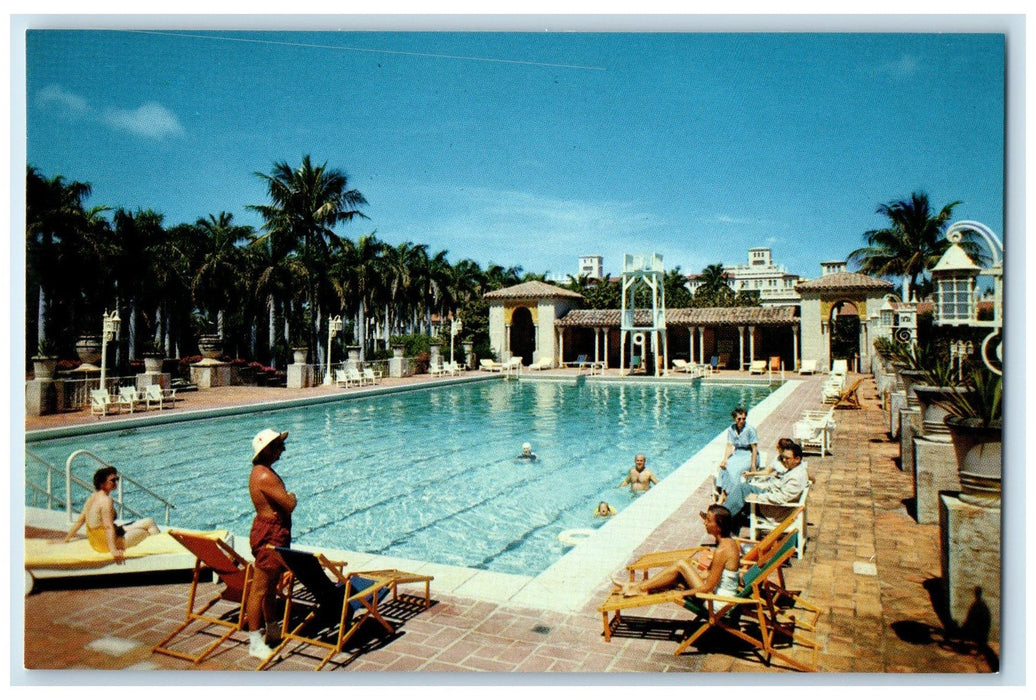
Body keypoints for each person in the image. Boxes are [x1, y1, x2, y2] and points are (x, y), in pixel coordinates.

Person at [245, 428, 296, 659]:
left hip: (273, 531)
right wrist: (292, 497)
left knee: (271, 584)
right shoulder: (264, 476)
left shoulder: (262, 472)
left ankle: (272, 628)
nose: (283, 450)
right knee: (260, 589)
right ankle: (255, 642)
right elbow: (289, 504)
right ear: (267, 450)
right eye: (279, 446)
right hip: (270, 535)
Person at [615, 505, 740, 598]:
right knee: (677, 575)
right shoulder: (729, 542)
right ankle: (635, 586)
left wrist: (680, 594)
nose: (705, 522)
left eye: (708, 520)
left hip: (718, 602)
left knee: (681, 565)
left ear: (719, 526)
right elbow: (711, 574)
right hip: (718, 592)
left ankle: (639, 588)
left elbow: (708, 588)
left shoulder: (722, 550)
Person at [63, 466, 160, 564]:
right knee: (145, 532)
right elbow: (108, 526)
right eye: (113, 480)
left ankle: (161, 545)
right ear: (102, 483)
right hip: (106, 543)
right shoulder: (106, 501)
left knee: (149, 521)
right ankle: (162, 552)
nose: (116, 483)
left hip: (96, 541)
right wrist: (113, 550)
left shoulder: (91, 498)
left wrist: (65, 540)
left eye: (116, 479)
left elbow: (80, 521)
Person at [720, 440, 809, 519]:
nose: (784, 460)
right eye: (783, 457)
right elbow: (780, 486)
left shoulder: (796, 477)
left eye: (787, 458)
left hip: (775, 508)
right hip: (772, 495)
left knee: (741, 493)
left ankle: (720, 518)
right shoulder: (797, 469)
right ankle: (723, 515)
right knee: (742, 488)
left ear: (797, 459)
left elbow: (782, 498)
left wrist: (758, 497)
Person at [714, 407, 758, 501]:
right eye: (739, 419)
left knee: (734, 470)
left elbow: (754, 448)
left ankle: (731, 495)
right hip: (738, 454)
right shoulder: (731, 429)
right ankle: (724, 493)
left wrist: (753, 464)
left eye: (743, 419)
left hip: (749, 455)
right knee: (724, 467)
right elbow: (729, 445)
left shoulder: (750, 430)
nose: (742, 421)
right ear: (734, 419)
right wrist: (725, 459)